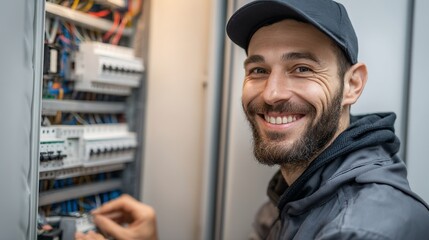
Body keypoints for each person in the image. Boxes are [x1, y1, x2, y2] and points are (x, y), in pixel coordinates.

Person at [76, 0, 429, 239]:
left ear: (352, 84)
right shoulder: (297, 193)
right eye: (258, 69)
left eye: (301, 68)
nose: (273, 93)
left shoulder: (358, 228)